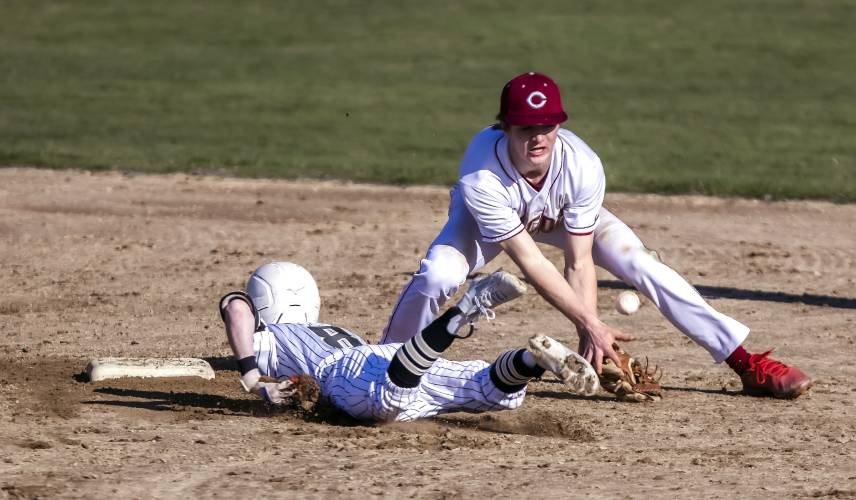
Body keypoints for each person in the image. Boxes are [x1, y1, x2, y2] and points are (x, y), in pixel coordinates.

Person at [380, 71, 811, 399]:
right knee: (439, 273)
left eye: (546, 126)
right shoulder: (482, 176)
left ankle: (744, 362)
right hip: (486, 222)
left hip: (559, 217)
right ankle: (382, 365)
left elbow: (579, 259)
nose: (538, 137)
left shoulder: (582, 165)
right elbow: (531, 261)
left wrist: (593, 335)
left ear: (559, 126)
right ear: (505, 127)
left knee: (641, 262)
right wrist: (588, 321)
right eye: (526, 127)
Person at [218, 262, 600, 422]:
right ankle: (530, 362)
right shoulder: (331, 329)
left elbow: (234, 306)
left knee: (391, 394)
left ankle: (464, 309)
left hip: (348, 374)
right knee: (484, 386)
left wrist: (252, 377)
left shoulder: (272, 336)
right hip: (378, 355)